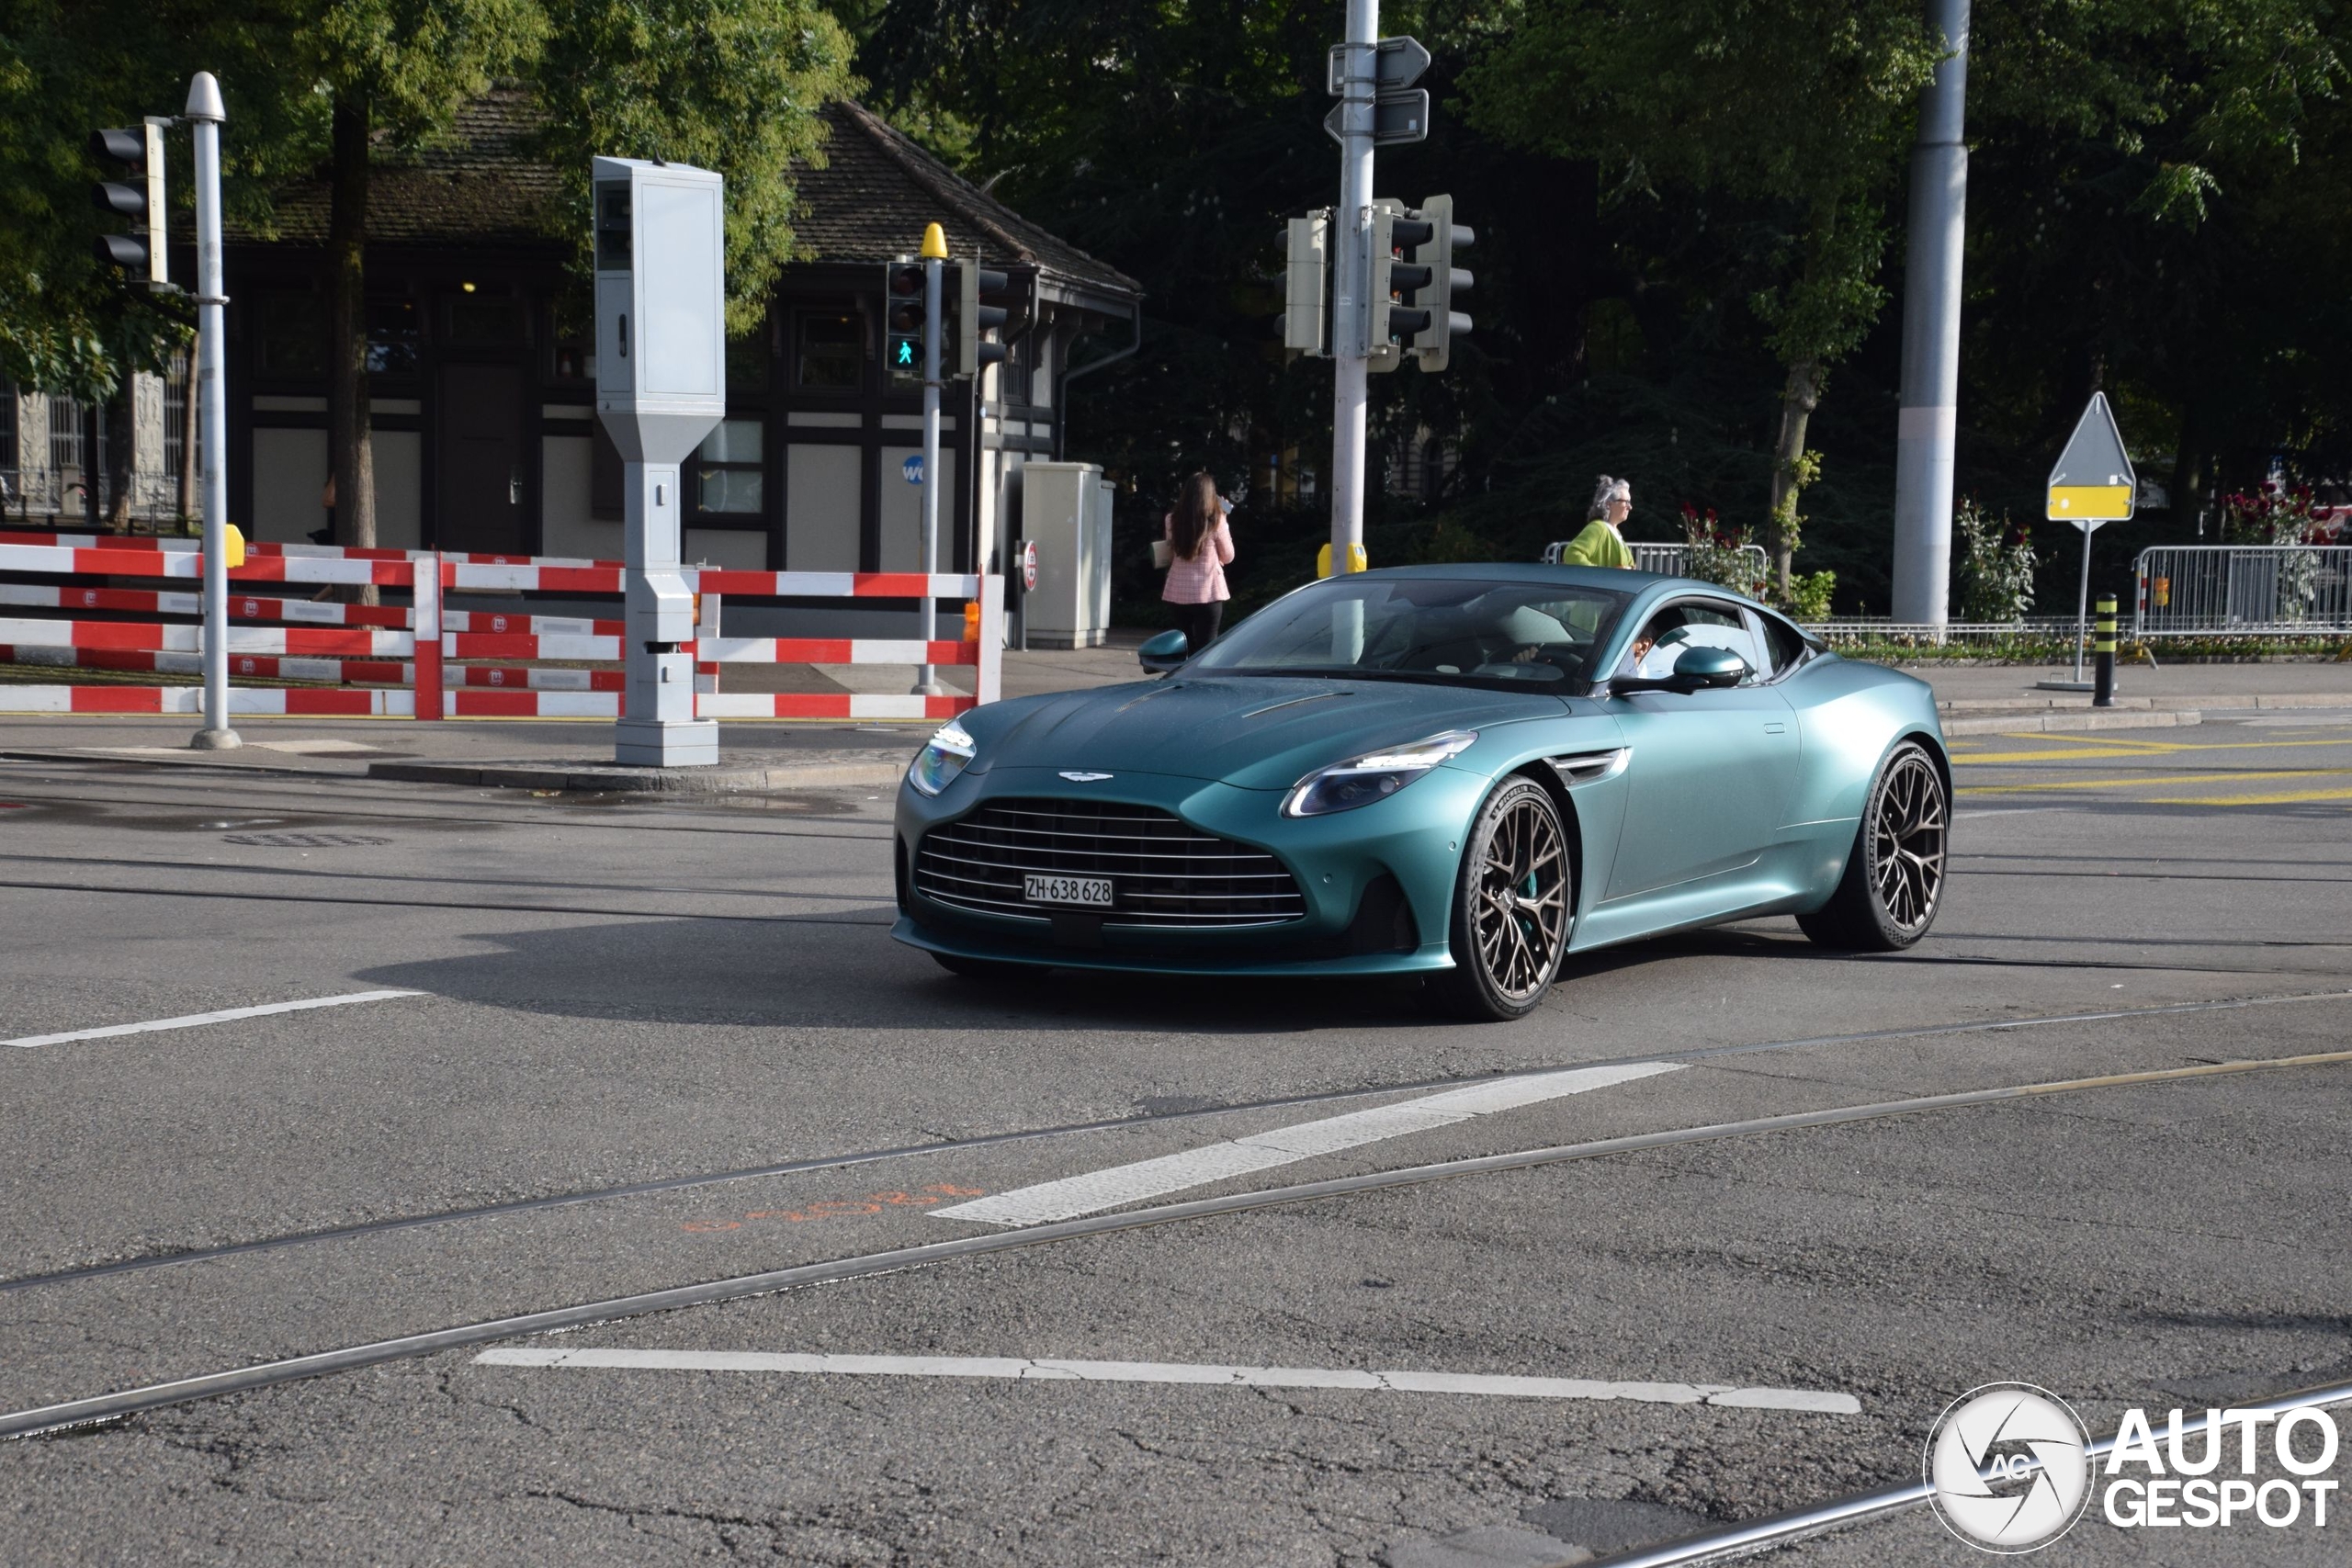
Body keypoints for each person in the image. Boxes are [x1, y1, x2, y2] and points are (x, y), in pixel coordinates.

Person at [1160, 470, 1233, 649]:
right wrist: (1225, 519)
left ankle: (1181, 676)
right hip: (1208, 593)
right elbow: (1228, 556)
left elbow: (1174, 550)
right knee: (1206, 648)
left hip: (1177, 593)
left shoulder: (1172, 520)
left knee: (1183, 645)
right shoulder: (1217, 521)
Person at [1555, 475, 1637, 570]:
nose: (1630, 507)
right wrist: (1602, 573)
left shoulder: (1615, 532)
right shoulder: (1598, 528)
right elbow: (1572, 554)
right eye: (1626, 502)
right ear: (1608, 504)